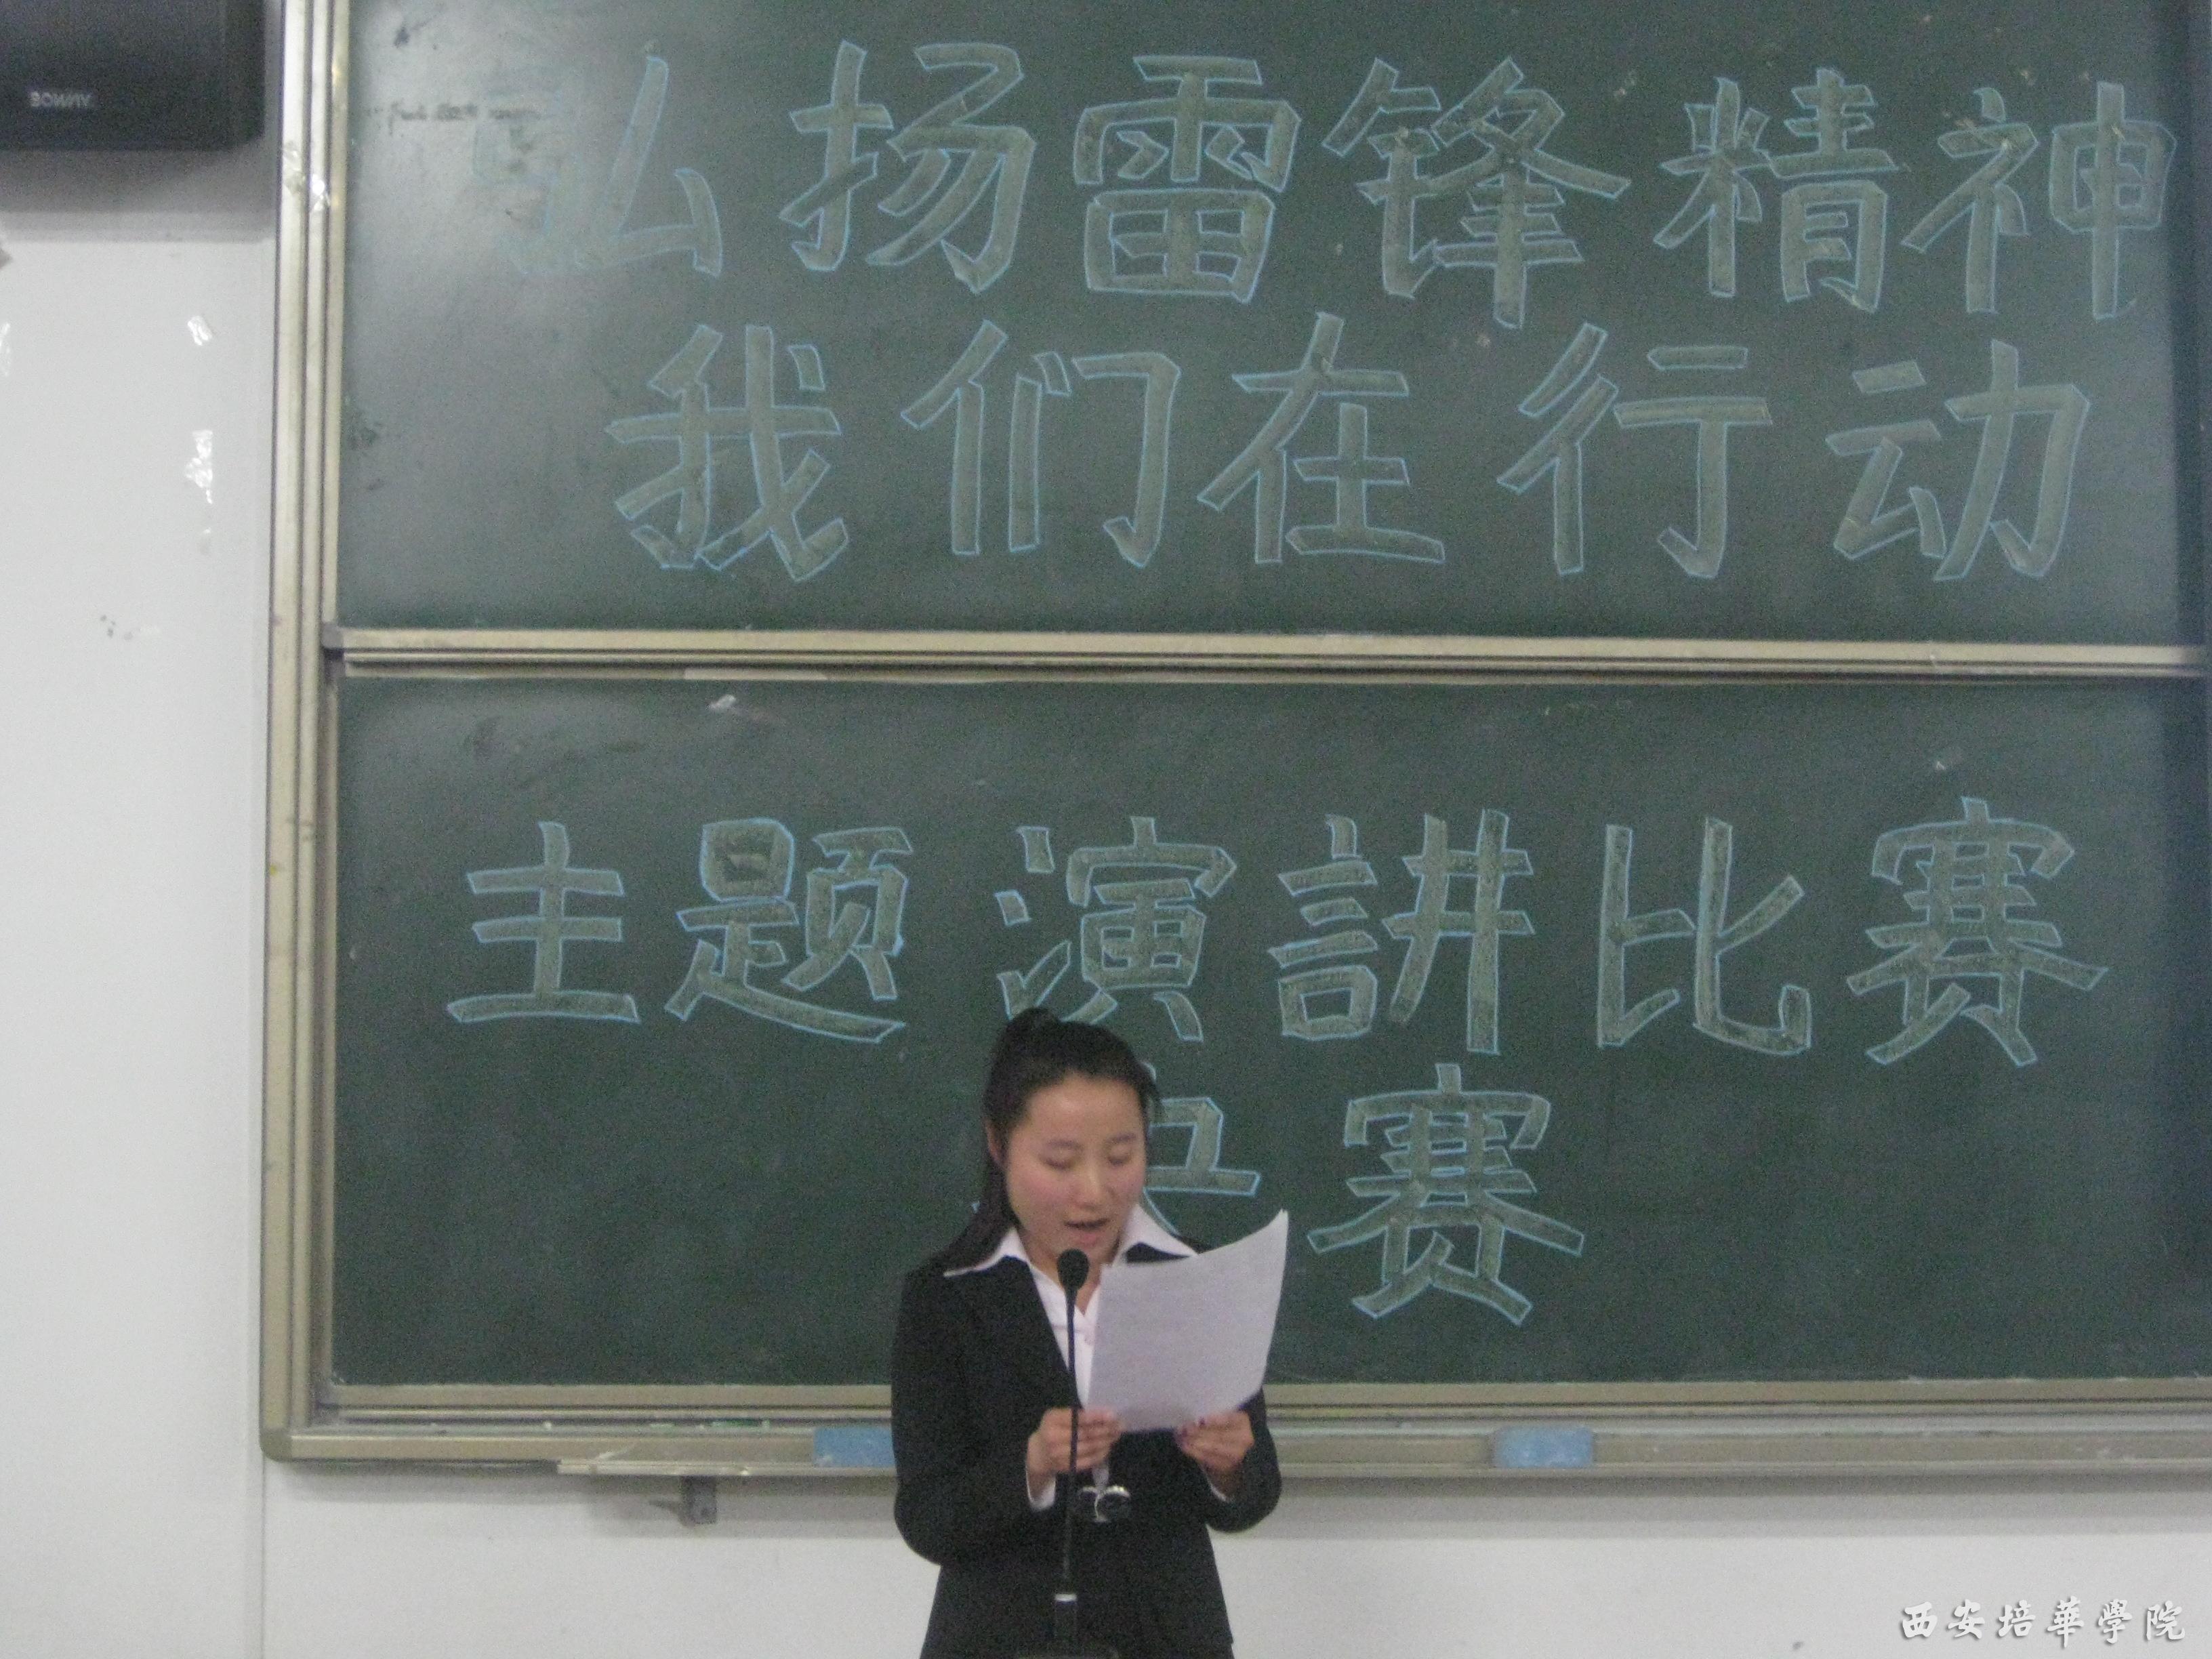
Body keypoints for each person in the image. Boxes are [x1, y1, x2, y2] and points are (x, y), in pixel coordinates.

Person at [891, 1010, 1281, 1658]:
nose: (1094, 1192)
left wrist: (1231, 1466)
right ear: (999, 1146)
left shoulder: (1195, 1278)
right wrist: (1033, 1463)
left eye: (1120, 1157)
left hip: (1167, 1636)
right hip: (1003, 1639)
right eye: (1061, 1162)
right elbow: (928, 1518)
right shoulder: (947, 1297)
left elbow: (1254, 1495)